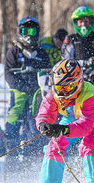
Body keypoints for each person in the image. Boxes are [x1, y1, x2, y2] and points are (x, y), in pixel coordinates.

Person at [34, 58, 94, 183]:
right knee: (54, 145)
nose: (62, 92)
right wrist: (43, 124)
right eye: (59, 87)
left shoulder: (89, 93)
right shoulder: (54, 93)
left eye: (67, 87)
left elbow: (86, 126)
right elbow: (45, 112)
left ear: (78, 83)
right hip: (70, 119)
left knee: (89, 145)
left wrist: (63, 129)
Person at [4, 16, 60, 164]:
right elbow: (8, 73)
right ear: (19, 32)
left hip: (37, 92)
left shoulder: (41, 53)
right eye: (25, 31)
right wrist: (22, 86)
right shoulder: (14, 51)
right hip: (19, 91)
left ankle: (33, 155)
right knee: (14, 119)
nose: (29, 35)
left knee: (35, 122)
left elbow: (48, 72)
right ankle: (12, 157)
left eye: (32, 31)